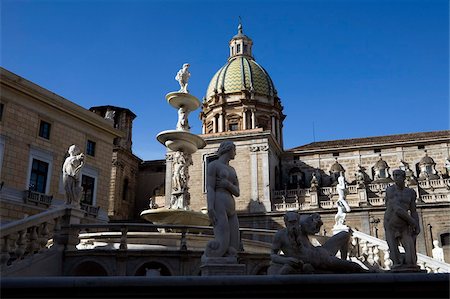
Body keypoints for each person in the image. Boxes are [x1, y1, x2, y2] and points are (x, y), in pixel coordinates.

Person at [268, 211, 367, 274]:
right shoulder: (280, 236)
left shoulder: (300, 228)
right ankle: (366, 272)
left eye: (295, 222)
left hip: (321, 254)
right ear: (285, 222)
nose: (293, 225)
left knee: (344, 235)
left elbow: (313, 228)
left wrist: (314, 220)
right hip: (318, 260)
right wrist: (287, 260)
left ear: (298, 221)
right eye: (290, 222)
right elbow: (273, 255)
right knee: (352, 266)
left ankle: (344, 260)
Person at [203, 141, 240, 258]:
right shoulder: (213, 165)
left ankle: (229, 262)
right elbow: (210, 187)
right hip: (219, 202)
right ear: (227, 150)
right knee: (222, 239)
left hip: (231, 205)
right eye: (234, 150)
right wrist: (210, 206)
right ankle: (213, 258)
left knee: (235, 241)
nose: (235, 153)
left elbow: (238, 192)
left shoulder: (232, 170)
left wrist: (227, 184)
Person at [384, 169, 420, 270]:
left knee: (411, 258)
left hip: (404, 224)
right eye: (394, 175)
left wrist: (417, 224)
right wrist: (412, 222)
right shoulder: (390, 190)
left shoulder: (411, 192)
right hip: (391, 223)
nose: (395, 177)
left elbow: (413, 210)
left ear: (404, 177)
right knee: (394, 251)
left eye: (398, 175)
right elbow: (397, 209)